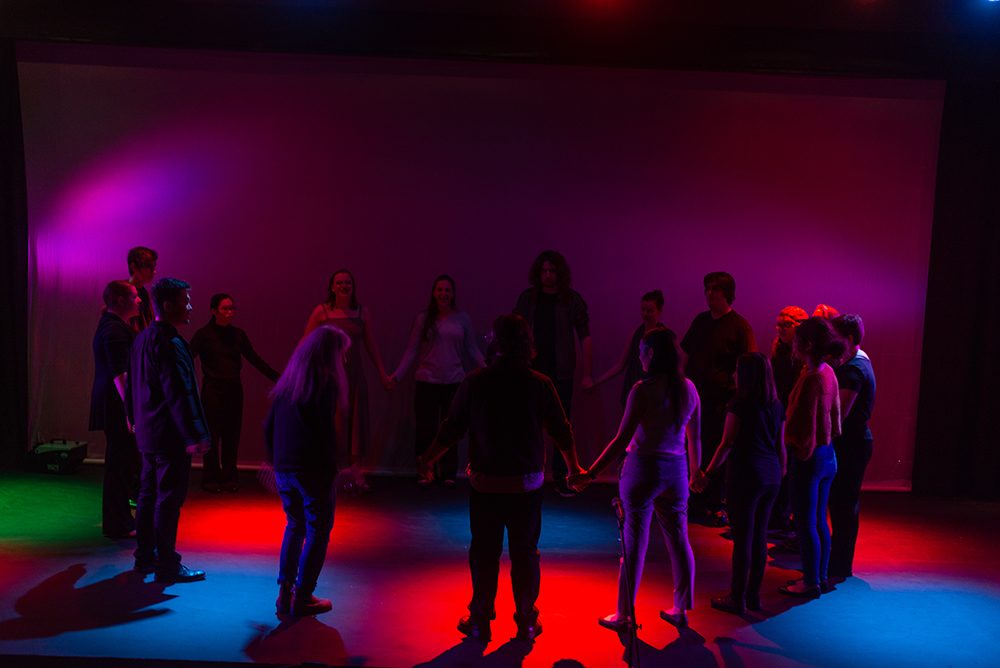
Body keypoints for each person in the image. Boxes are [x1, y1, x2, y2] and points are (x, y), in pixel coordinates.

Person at [418, 314, 582, 643]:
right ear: (526, 344)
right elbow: (562, 432)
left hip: (485, 483)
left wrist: (427, 459)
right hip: (526, 483)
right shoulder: (540, 384)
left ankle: (479, 618)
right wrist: (575, 469)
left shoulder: (476, 382)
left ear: (495, 341)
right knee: (525, 552)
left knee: (484, 551)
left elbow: (452, 429)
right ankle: (526, 620)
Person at [569, 328, 701, 631]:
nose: (638, 356)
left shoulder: (643, 389)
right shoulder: (689, 389)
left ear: (651, 353)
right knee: (679, 541)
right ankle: (681, 609)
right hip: (677, 472)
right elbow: (695, 439)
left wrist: (589, 473)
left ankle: (624, 614)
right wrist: (696, 473)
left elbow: (620, 440)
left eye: (641, 350)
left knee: (634, 543)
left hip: (643, 470)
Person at [126, 277, 211, 584]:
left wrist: (132, 417)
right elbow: (180, 393)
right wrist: (194, 436)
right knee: (168, 499)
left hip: (149, 432)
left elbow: (133, 385)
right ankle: (166, 565)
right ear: (168, 305)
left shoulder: (142, 339)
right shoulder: (170, 343)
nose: (190, 307)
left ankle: (145, 558)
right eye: (185, 301)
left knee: (149, 495)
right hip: (169, 434)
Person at [265, 325, 351, 617]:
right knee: (318, 529)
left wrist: (273, 461)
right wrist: (337, 468)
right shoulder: (326, 382)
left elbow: (268, 426)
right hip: (312, 469)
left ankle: (284, 592)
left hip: (285, 467)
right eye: (342, 354)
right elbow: (323, 433)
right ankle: (303, 596)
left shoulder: (288, 383)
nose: (345, 360)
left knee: (295, 524)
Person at [691, 352, 786, 614]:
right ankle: (753, 596)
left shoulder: (739, 403)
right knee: (759, 537)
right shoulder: (776, 405)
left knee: (742, 539)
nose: (733, 373)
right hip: (771, 476)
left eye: (737, 370)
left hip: (746, 475)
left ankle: (736, 597)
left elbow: (727, 444)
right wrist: (780, 471)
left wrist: (706, 474)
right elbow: (780, 448)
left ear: (745, 375)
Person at [389, 275, 485, 487]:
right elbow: (412, 351)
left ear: (453, 293)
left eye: (447, 290)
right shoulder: (423, 319)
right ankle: (424, 470)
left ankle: (448, 473)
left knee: (452, 428)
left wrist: (489, 371)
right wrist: (396, 375)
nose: (443, 294)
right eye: (440, 290)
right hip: (427, 381)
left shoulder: (462, 319)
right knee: (426, 427)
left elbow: (472, 349)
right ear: (434, 292)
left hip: (454, 381)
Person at [512, 251, 593, 497]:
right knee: (529, 423)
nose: (547, 276)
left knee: (560, 425)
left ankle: (561, 476)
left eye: (552, 271)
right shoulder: (529, 299)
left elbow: (585, 337)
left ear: (560, 273)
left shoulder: (572, 300)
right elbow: (515, 331)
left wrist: (587, 373)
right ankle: (530, 472)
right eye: (544, 271)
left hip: (561, 374)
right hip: (532, 372)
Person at [681, 271, 756, 526]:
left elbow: (749, 365)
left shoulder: (738, 326)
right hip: (694, 397)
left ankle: (713, 502)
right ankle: (692, 498)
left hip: (719, 401)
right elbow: (686, 354)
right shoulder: (701, 321)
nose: (709, 293)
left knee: (715, 448)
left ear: (727, 293)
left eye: (715, 289)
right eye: (707, 288)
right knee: (690, 447)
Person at [779, 317, 845, 598]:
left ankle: (809, 582)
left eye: (795, 340)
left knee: (806, 522)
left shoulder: (810, 380)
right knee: (818, 520)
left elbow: (799, 426)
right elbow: (835, 416)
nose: (791, 344)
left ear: (806, 345)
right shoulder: (828, 371)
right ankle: (817, 579)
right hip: (827, 454)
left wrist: (786, 447)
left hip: (808, 458)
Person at [302, 270, 392, 472]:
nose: (344, 286)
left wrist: (383, 374)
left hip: (354, 376)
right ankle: (330, 472)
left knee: (354, 423)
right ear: (332, 287)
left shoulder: (362, 312)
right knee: (332, 422)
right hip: (328, 377)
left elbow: (371, 346)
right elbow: (305, 341)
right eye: (339, 282)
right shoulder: (322, 312)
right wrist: (295, 374)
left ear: (353, 286)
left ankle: (355, 472)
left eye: (348, 282)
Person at [191, 293, 281, 493]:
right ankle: (211, 478)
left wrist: (279, 378)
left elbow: (254, 359)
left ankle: (229, 477)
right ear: (214, 311)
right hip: (212, 390)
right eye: (225, 308)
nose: (230, 312)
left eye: (232, 308)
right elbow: (188, 357)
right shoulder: (204, 334)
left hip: (233, 389)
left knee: (232, 435)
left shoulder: (238, 334)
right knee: (212, 436)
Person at [89, 280, 142, 539]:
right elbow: (119, 373)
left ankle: (120, 521)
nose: (140, 300)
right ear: (121, 301)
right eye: (134, 296)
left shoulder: (115, 326)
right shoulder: (113, 329)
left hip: (116, 403)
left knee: (122, 464)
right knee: (120, 465)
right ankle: (118, 524)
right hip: (116, 404)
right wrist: (131, 410)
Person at [827, 314, 876, 580]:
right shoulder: (859, 361)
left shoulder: (853, 370)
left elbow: (838, 416)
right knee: (845, 505)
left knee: (842, 506)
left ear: (848, 340)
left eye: (834, 338)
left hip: (851, 445)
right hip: (856, 443)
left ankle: (838, 566)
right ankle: (840, 564)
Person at [768, 306, 808, 536]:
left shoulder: (803, 356)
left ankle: (785, 516)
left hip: (794, 415)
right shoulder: (780, 352)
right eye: (779, 324)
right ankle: (777, 515)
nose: (781, 329)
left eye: (787, 325)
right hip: (779, 412)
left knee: (790, 465)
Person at [587, 290, 665, 409]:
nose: (645, 313)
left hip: (654, 395)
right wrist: (596, 382)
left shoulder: (664, 337)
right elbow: (620, 365)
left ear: (660, 311)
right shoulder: (634, 335)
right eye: (643, 309)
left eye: (650, 310)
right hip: (634, 392)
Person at [126, 246, 158, 332]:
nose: (153, 271)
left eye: (154, 267)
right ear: (134, 267)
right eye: (148, 266)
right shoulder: (124, 292)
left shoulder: (145, 294)